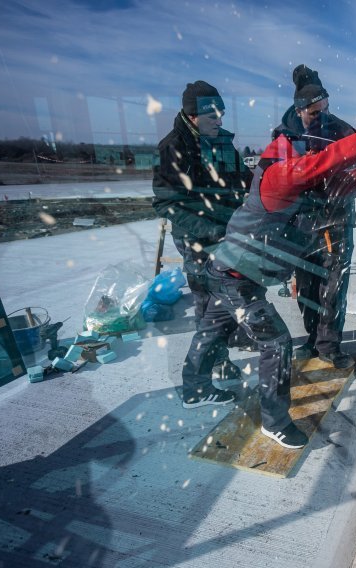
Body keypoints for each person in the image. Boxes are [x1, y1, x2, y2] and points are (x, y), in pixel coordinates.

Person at [178, 68, 356, 449]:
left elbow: (355, 176)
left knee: (210, 330)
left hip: (227, 270)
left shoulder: (301, 176)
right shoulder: (279, 177)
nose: (319, 156)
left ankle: (193, 388)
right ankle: (274, 421)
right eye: (312, 151)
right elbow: (333, 158)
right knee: (276, 343)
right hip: (237, 278)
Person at [152, 80, 253, 382]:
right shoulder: (173, 147)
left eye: (221, 115)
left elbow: (244, 179)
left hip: (227, 232)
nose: (220, 121)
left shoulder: (221, 141)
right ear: (192, 116)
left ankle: (230, 339)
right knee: (208, 300)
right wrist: (210, 230)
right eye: (213, 116)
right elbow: (166, 203)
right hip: (196, 238)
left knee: (235, 291)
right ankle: (215, 362)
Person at [271, 65, 356, 369]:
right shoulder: (283, 135)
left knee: (333, 287)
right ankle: (312, 339)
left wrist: (334, 188)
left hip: (335, 222)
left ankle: (329, 345)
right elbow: (274, 177)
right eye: (314, 111)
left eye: (325, 108)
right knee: (307, 287)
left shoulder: (344, 132)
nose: (321, 115)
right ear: (300, 108)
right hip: (300, 224)